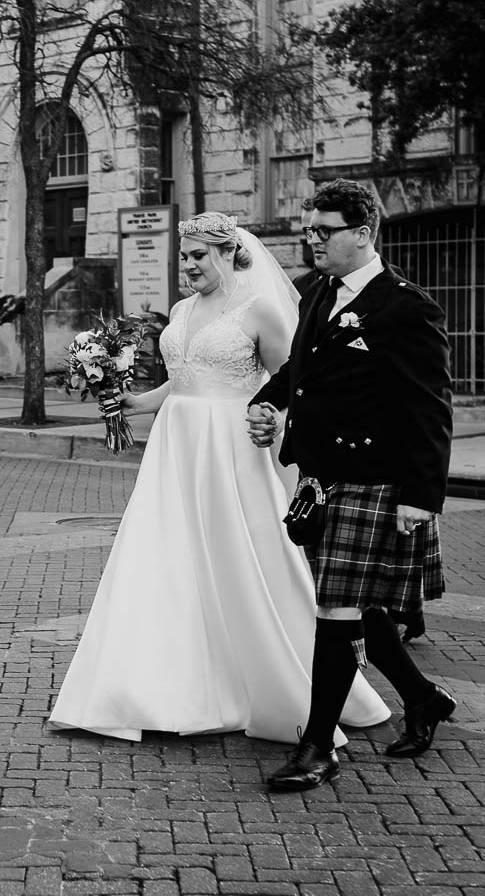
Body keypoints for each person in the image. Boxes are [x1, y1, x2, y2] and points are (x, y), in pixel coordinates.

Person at [48, 212, 389, 746]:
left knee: (243, 557)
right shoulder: (182, 310)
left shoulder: (260, 312)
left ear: (229, 253)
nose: (188, 266)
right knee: (166, 557)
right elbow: (183, 378)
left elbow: (291, 382)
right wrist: (136, 401)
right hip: (175, 446)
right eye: (183, 256)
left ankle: (282, 681)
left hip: (231, 448)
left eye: (198, 255)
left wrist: (273, 424)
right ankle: (157, 687)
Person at [247, 179, 455, 792]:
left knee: (334, 609)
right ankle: (422, 699)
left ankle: (318, 746)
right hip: (322, 476)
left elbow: (431, 409)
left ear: (363, 233)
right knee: (359, 603)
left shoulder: (406, 306)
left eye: (324, 231)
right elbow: (300, 369)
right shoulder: (318, 291)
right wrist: (267, 401)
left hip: (376, 480)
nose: (312, 240)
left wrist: (421, 497)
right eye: (308, 229)